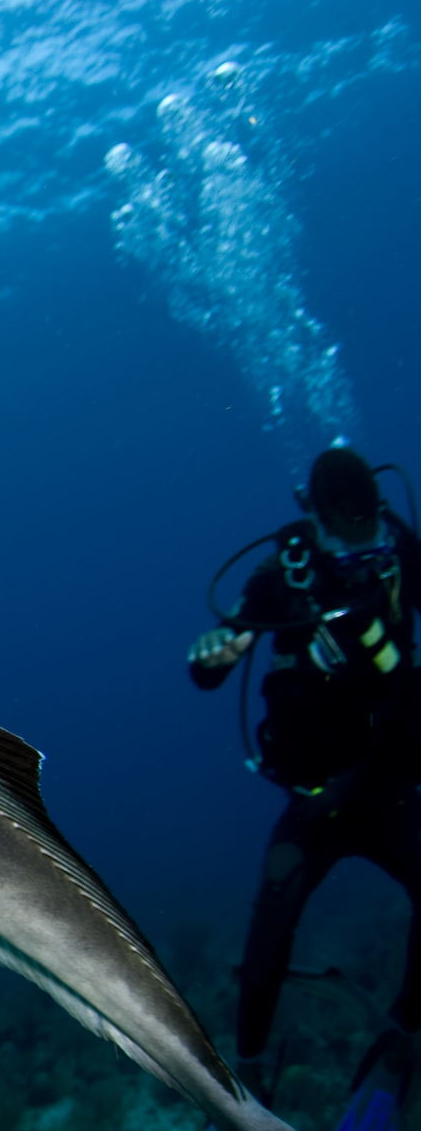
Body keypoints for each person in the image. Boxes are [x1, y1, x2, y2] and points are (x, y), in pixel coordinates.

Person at [189, 446, 421, 1070]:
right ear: (314, 519)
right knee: (274, 910)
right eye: (347, 541)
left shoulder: (404, 554)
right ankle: (250, 1068)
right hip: (317, 796)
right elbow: (226, 651)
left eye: (370, 535)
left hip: (395, 784)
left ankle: (404, 1037)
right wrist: (209, 660)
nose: (362, 554)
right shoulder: (280, 578)